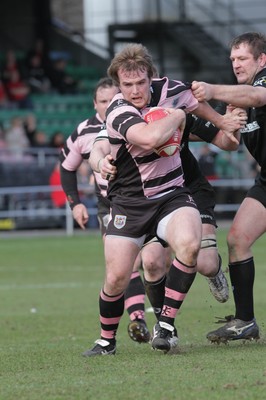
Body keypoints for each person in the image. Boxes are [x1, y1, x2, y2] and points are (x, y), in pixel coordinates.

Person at [82, 43, 246, 357]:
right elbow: (149, 138)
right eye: (126, 85)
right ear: (119, 85)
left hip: (172, 194)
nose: (134, 90)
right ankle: (106, 340)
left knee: (189, 245)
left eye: (140, 83)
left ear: (152, 78)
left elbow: (197, 103)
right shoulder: (119, 110)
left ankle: (166, 325)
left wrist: (223, 121)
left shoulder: (169, 89)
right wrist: (178, 114)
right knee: (117, 277)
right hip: (130, 202)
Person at [59, 77, 151, 344]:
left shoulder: (138, 120)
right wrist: (75, 203)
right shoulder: (83, 131)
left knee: (156, 263)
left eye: (112, 99)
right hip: (109, 204)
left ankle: (160, 317)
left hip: (147, 199)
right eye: (102, 101)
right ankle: (137, 319)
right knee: (125, 263)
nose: (108, 105)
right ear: (94, 104)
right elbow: (66, 166)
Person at [191, 31, 266, 343]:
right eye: (232, 59)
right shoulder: (242, 96)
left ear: (262, 60)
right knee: (237, 239)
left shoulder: (260, 85)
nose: (235, 63)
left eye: (242, 58)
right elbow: (231, 141)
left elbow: (259, 98)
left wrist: (211, 91)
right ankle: (245, 321)